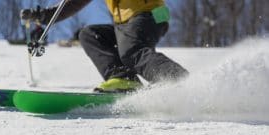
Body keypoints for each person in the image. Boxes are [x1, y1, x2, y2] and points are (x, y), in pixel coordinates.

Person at [21, 0, 189, 93]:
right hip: (124, 24)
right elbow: (71, 3)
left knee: (132, 51)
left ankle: (175, 78)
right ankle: (124, 79)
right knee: (89, 34)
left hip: (149, 14)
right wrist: (43, 16)